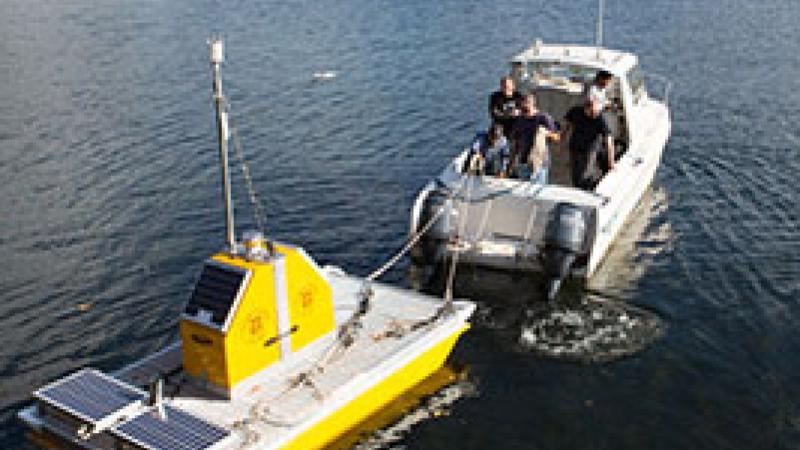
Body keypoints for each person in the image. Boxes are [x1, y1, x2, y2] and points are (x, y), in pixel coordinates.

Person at [560, 98, 615, 190]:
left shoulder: (600, 118)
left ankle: (588, 188)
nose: (595, 115)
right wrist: (562, 136)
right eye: (592, 112)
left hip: (590, 149)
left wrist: (611, 162)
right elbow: (567, 123)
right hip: (575, 147)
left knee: (585, 173)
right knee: (575, 173)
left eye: (596, 112)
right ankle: (578, 189)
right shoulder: (576, 111)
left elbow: (609, 141)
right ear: (586, 109)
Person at [509, 94, 559, 183]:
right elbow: (515, 142)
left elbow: (557, 137)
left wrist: (545, 133)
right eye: (522, 108)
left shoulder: (543, 118)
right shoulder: (519, 120)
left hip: (540, 162)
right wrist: (511, 163)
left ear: (532, 104)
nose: (523, 111)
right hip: (523, 162)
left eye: (526, 108)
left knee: (536, 191)